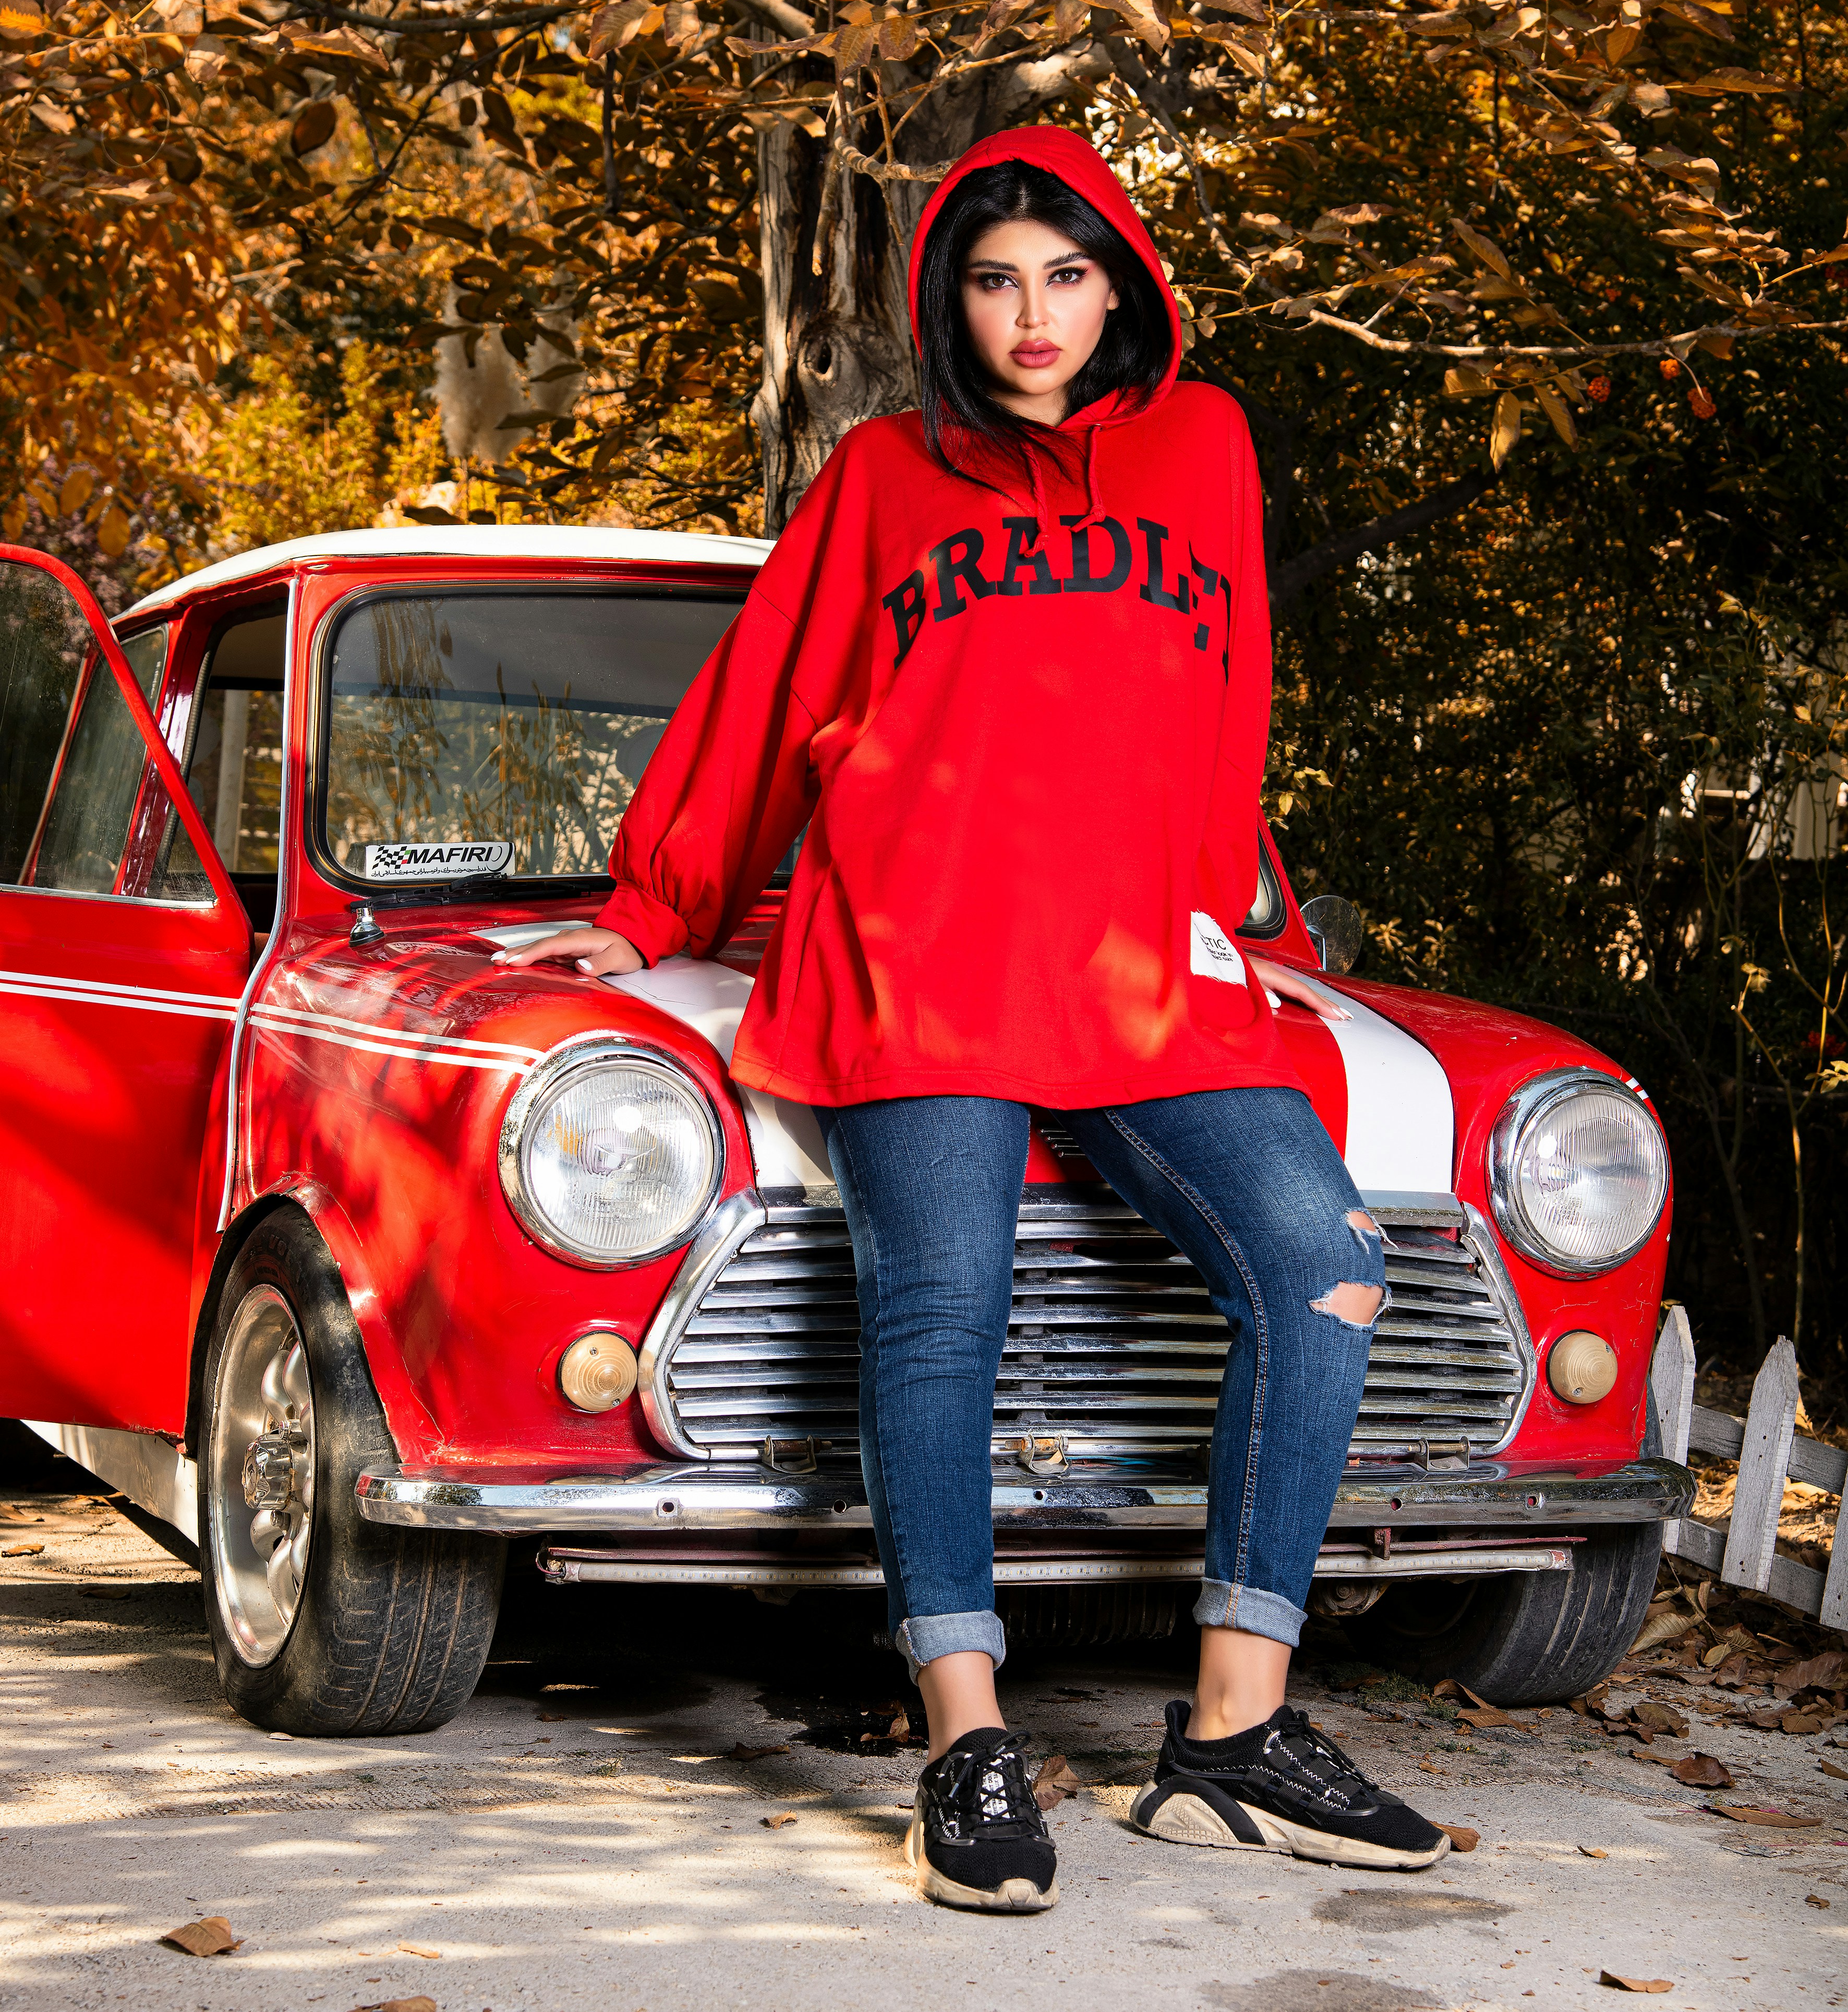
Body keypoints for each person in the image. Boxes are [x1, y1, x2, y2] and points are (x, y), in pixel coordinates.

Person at [495, 127, 1448, 1912]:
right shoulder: (882, 476)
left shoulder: (1204, 446)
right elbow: (764, 698)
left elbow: (1229, 688)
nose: (1034, 316)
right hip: (916, 959)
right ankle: (967, 1739)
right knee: (943, 1305)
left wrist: (1216, 898)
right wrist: (648, 914)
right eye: (998, 280)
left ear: (1120, 289)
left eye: (1068, 277)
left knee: (1325, 1263)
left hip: (1136, 970)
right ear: (953, 299)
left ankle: (1234, 1737)